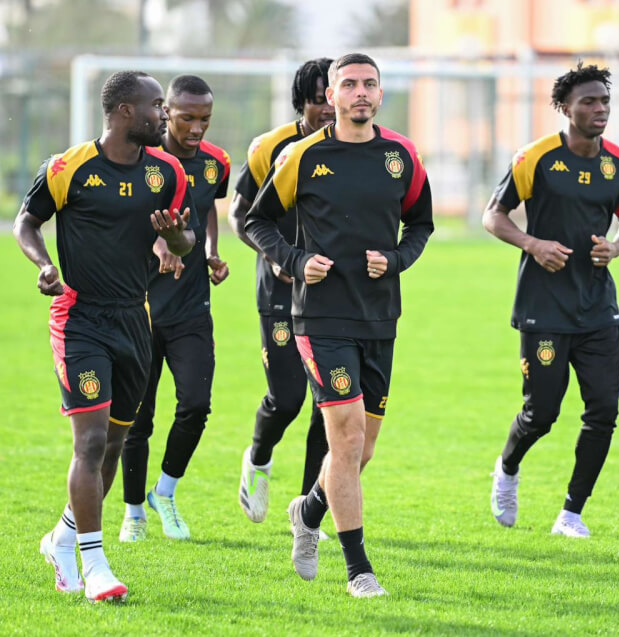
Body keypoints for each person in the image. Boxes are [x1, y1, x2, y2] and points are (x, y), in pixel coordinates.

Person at [244, 53, 433, 598]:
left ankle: (306, 511)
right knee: (346, 438)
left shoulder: (401, 157)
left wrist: (396, 259)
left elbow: (421, 224)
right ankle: (359, 570)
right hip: (319, 318)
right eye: (348, 84)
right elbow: (257, 221)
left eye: (369, 84)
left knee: (360, 451)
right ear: (330, 94)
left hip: (379, 316)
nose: (360, 93)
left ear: (380, 93)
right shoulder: (303, 156)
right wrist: (296, 260)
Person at [14, 71, 196, 602]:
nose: (164, 115)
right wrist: (45, 264)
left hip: (133, 320)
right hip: (79, 319)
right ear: (122, 113)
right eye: (156, 106)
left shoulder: (166, 173)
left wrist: (174, 237)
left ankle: (63, 539)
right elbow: (26, 221)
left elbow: (183, 240)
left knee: (115, 444)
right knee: (91, 441)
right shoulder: (68, 167)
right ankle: (94, 566)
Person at [485, 62, 619, 538]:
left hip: (598, 311)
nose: (600, 110)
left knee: (603, 414)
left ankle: (571, 513)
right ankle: (507, 470)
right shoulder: (534, 158)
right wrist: (533, 244)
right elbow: (493, 217)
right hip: (544, 310)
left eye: (604, 101)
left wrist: (615, 247)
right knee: (542, 413)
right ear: (564, 108)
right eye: (589, 102)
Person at [119, 75, 231, 543]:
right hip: (140, 307)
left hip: (191, 307)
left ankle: (164, 492)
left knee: (196, 404)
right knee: (137, 418)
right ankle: (132, 513)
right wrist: (160, 245)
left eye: (205, 119)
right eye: (187, 118)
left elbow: (204, 209)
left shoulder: (215, 163)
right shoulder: (143, 163)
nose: (197, 128)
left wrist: (206, 251)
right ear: (166, 113)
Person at [229, 58, 333, 525]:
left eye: (332, 98)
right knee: (288, 399)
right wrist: (273, 256)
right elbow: (240, 215)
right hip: (280, 292)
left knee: (329, 406)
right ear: (302, 102)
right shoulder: (271, 147)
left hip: (337, 297)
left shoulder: (361, 148)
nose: (328, 109)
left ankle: (309, 508)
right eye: (318, 101)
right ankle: (259, 457)